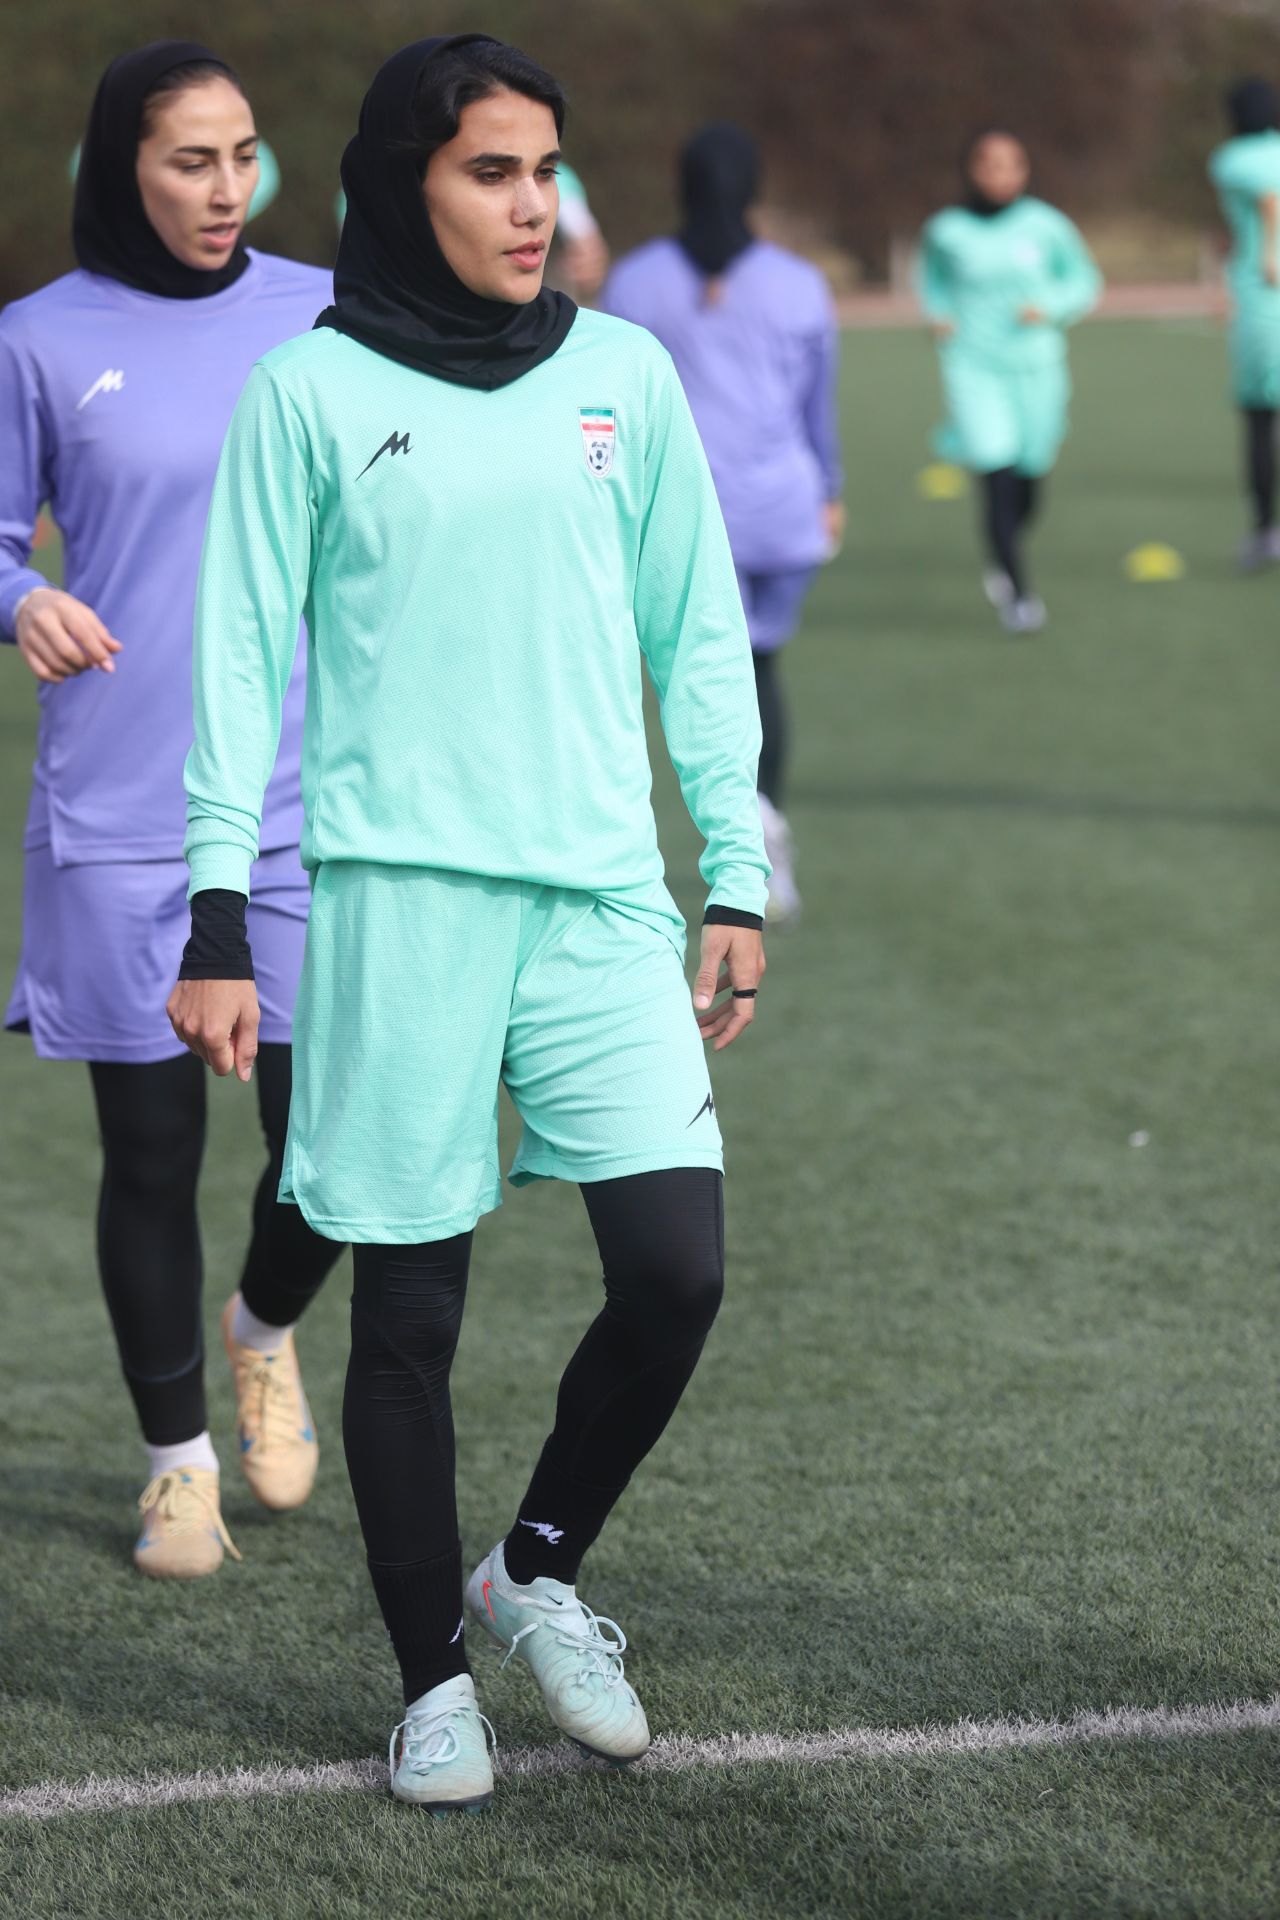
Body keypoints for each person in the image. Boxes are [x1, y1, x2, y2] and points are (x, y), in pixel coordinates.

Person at [166, 33, 767, 1813]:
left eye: (545, 171)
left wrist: (731, 867)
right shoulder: (307, 391)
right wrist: (218, 913)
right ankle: (431, 1682)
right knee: (410, 1314)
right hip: (398, 906)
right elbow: (237, 662)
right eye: (490, 171)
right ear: (400, 185)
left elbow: (698, 631)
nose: (532, 207)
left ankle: (535, 1570)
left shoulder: (625, 373)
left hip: (599, 899)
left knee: (677, 1271)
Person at [0, 42, 346, 1580]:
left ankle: (263, 1326)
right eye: (190, 160)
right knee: (148, 1151)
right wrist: (21, 596)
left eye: (243, 156)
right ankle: (175, 1465)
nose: (226, 189)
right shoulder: (37, 339)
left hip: (305, 802)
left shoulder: (327, 313)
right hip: (123, 805)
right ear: (118, 168)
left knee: (329, 1140)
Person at [604, 125, 842, 927]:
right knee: (759, 666)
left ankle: (740, 842)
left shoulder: (636, 281)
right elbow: (818, 405)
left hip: (686, 516)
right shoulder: (799, 284)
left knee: (705, 684)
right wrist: (831, 489)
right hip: (783, 510)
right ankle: (764, 830)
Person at [917, 130, 1102, 634]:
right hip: (973, 367)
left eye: (1011, 164)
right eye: (989, 164)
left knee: (1029, 481)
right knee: (994, 471)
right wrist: (937, 314)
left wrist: (1051, 306)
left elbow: (1083, 281)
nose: (1001, 175)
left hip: (1037, 367)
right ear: (971, 170)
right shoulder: (946, 231)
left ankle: (1004, 548)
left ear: (1024, 170)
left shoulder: (1046, 225)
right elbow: (932, 279)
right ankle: (1019, 596)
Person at [1208, 78, 1280, 570]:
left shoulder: (1231, 159)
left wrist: (1270, 252)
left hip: (1263, 298)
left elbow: (1269, 201)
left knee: (1260, 416)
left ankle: (1264, 530)